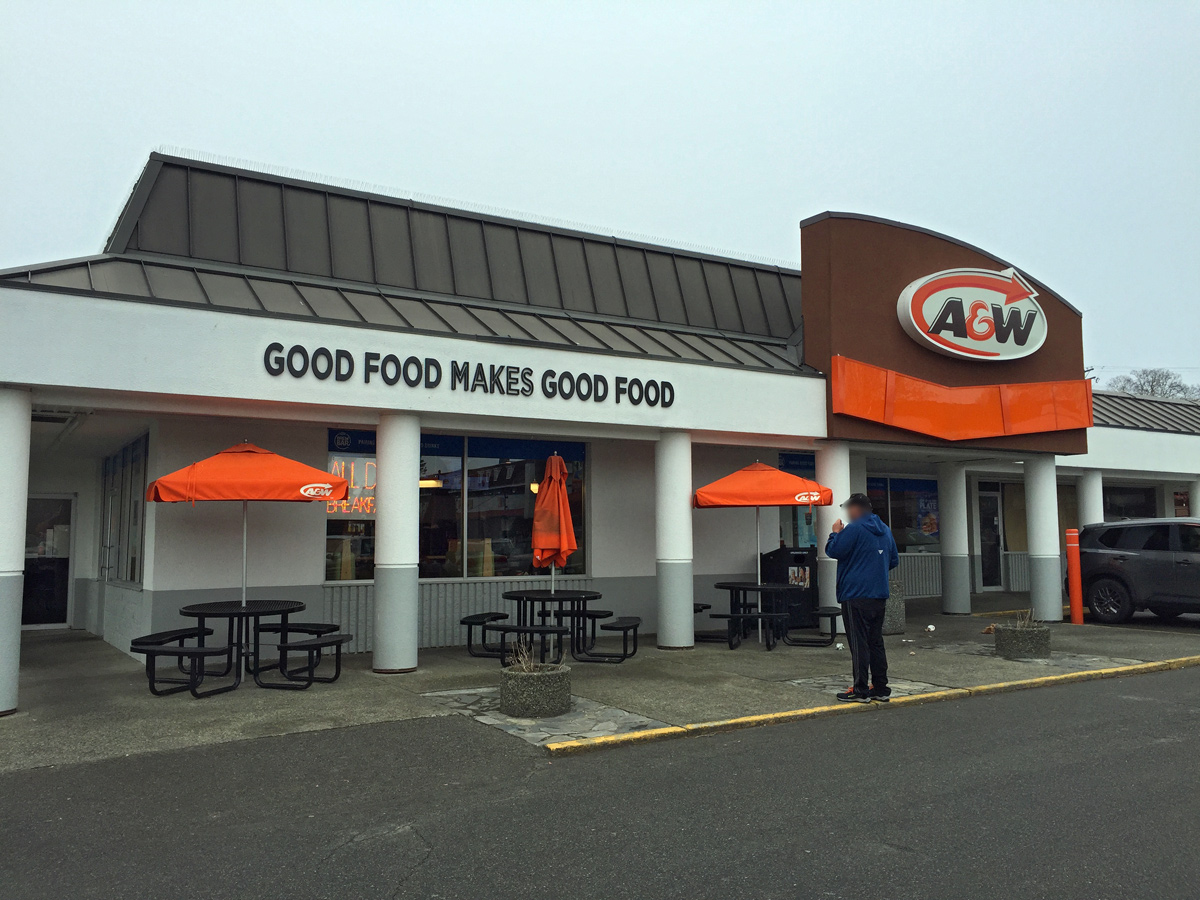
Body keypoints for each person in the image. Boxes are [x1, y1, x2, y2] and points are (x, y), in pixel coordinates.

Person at [825, 492, 899, 703]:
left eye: (848, 508)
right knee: (875, 642)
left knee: (859, 643)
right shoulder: (885, 530)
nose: (847, 513)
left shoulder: (854, 528)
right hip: (878, 594)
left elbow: (834, 550)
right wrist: (875, 568)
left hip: (855, 594)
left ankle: (860, 689)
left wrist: (835, 533)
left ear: (856, 508)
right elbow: (893, 560)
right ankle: (881, 688)